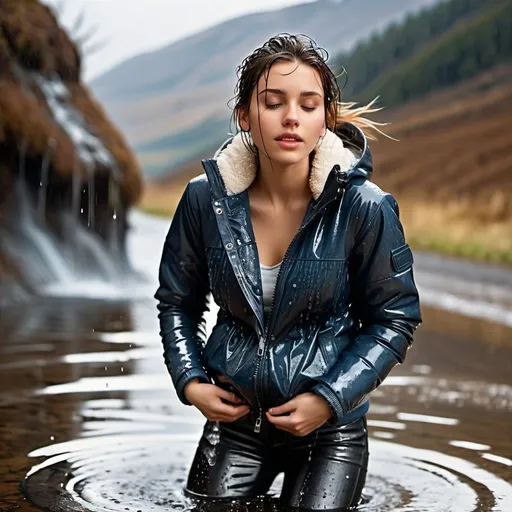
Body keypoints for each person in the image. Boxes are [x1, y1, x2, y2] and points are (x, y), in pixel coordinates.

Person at [155, 33, 422, 511]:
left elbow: (395, 318)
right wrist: (191, 380)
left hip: (329, 432)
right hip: (235, 426)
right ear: (245, 117)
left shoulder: (366, 208)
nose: (291, 117)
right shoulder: (203, 200)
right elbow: (178, 300)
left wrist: (329, 398)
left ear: (326, 120)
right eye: (273, 102)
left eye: (308, 104)